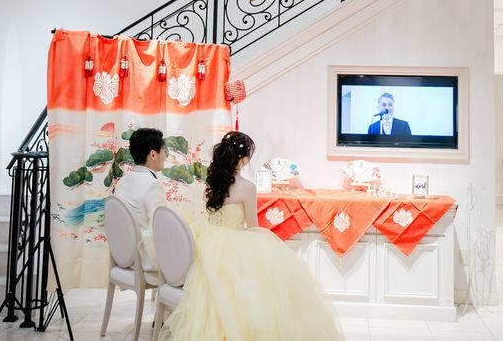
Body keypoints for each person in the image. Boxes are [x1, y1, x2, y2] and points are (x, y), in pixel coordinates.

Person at [158, 131, 343, 341]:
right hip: (233, 244)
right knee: (264, 283)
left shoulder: (211, 183)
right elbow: (253, 226)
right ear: (244, 160)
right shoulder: (247, 187)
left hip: (206, 242)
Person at [114, 127, 167, 271]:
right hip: (144, 258)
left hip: (122, 254)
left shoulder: (122, 182)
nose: (165, 156)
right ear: (153, 154)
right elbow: (161, 226)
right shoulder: (152, 184)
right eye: (164, 151)